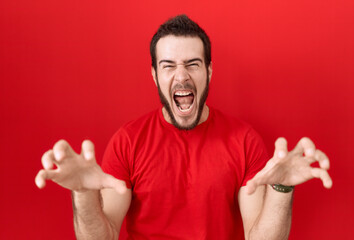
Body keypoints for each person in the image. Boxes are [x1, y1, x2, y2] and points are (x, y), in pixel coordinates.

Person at [35, 15, 333, 240]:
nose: (181, 76)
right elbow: (105, 236)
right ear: (154, 75)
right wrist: (82, 194)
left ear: (209, 71)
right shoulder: (128, 140)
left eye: (192, 64)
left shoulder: (244, 140)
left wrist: (282, 190)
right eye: (168, 65)